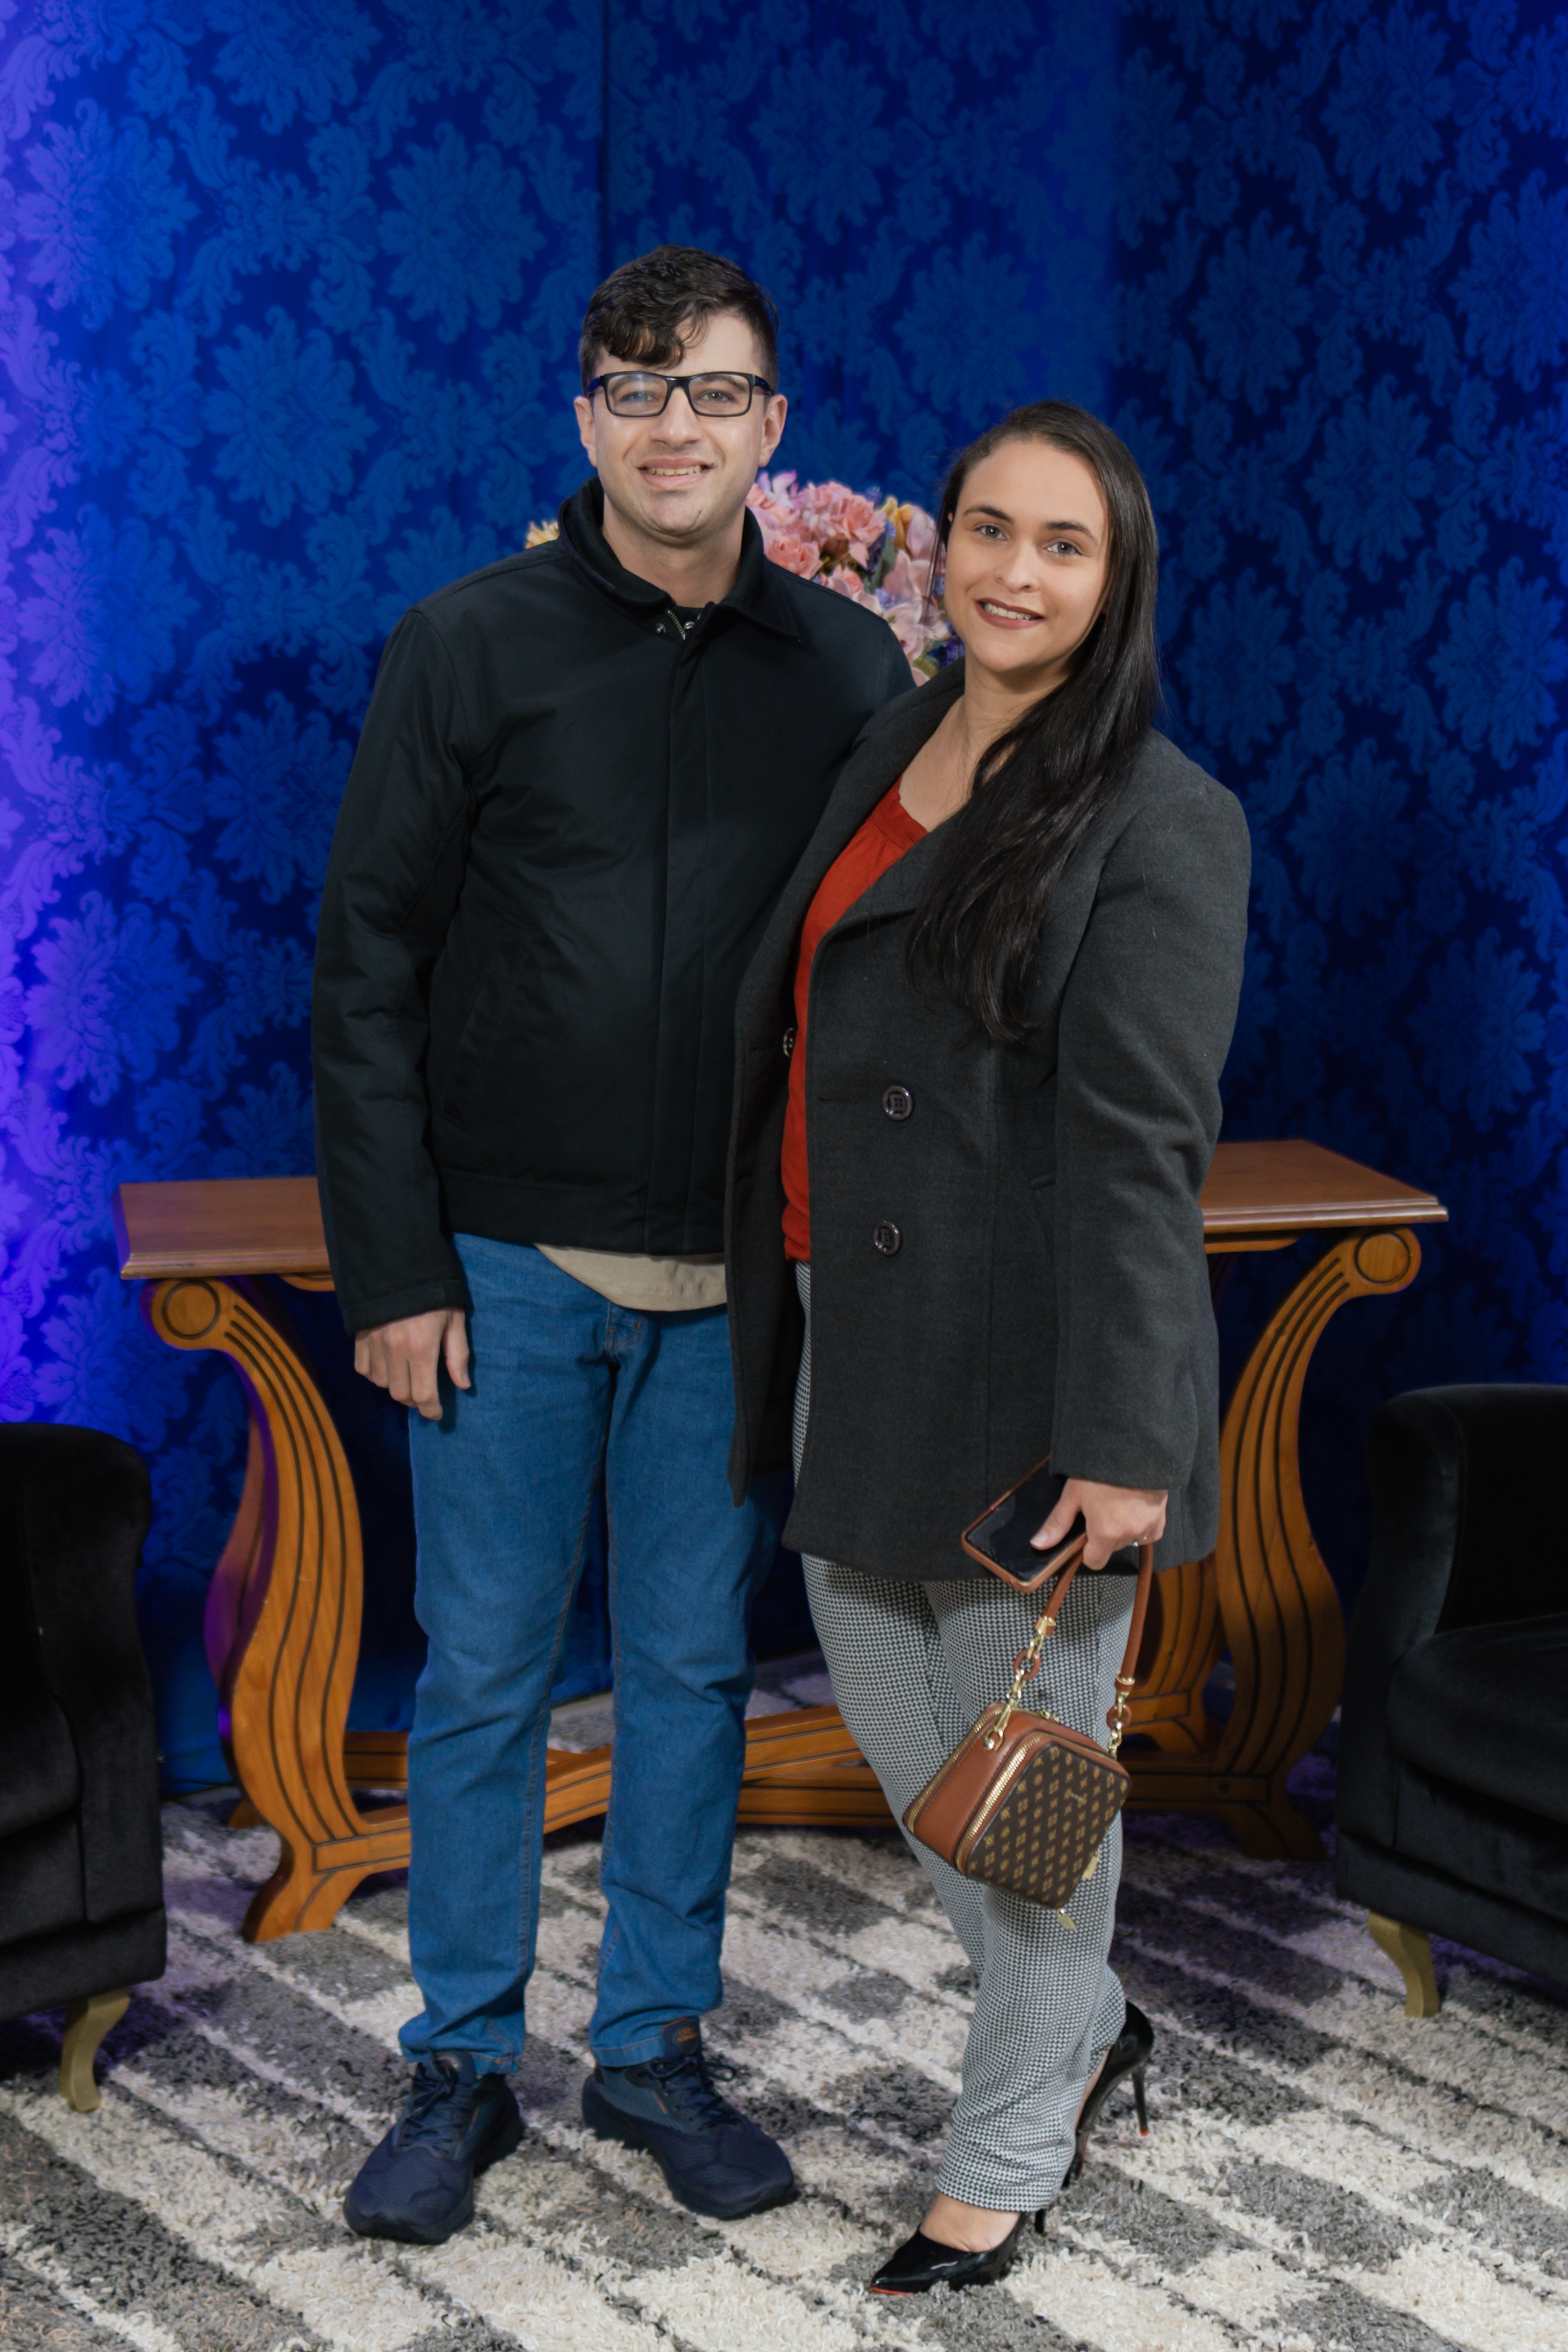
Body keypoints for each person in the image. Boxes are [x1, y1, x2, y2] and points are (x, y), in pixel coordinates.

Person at [312, 244, 911, 2246]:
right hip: (497, 1263)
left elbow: (886, 977)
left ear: (773, 424)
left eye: (714, 390)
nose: (675, 426)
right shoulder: (464, 645)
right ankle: (461, 2062)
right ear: (585, 415)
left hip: (734, 1271)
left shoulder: (851, 670)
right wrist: (394, 1268)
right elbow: (366, 967)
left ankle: (653, 2046)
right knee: (484, 1671)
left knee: (690, 1669)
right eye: (636, 389)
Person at [724, 402, 1250, 2292]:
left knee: (1031, 1784)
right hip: (852, 1324)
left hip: (1037, 1369)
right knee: (910, 1737)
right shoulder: (897, 737)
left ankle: (1011, 2153)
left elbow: (1142, 1153)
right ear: (937, 544)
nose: (1015, 573)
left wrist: (1127, 1439)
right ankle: (1089, 2027)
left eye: (1063, 544)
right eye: (989, 530)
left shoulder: (1163, 819)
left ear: (1119, 581)